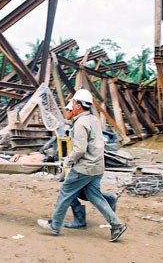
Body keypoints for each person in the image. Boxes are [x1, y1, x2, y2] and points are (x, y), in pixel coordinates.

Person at [37, 89, 127, 242]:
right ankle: (116, 225)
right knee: (94, 196)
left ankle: (55, 225)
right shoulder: (93, 119)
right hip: (97, 166)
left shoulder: (81, 123)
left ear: (78, 105)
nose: (71, 105)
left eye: (73, 102)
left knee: (65, 193)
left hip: (84, 167)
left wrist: (67, 161)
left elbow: (79, 149)